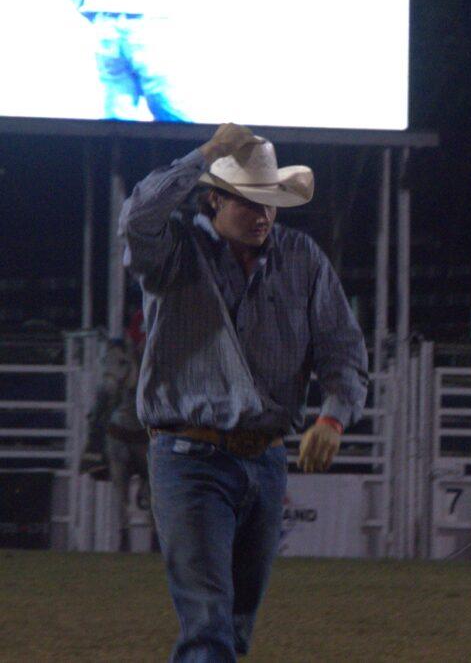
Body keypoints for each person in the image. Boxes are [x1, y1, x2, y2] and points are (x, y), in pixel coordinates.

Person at [120, 122, 368, 660]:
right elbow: (138, 216)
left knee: (232, 624)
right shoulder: (173, 252)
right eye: (249, 203)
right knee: (210, 618)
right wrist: (203, 153)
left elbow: (341, 348)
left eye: (270, 203)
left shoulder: (302, 259)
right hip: (190, 454)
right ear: (214, 199)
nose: (263, 215)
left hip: (265, 457)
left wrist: (332, 416)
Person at [78, 308, 155, 552]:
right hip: (133, 363)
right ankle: (94, 454)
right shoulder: (138, 316)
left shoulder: (164, 307)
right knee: (103, 402)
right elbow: (130, 339)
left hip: (156, 363)